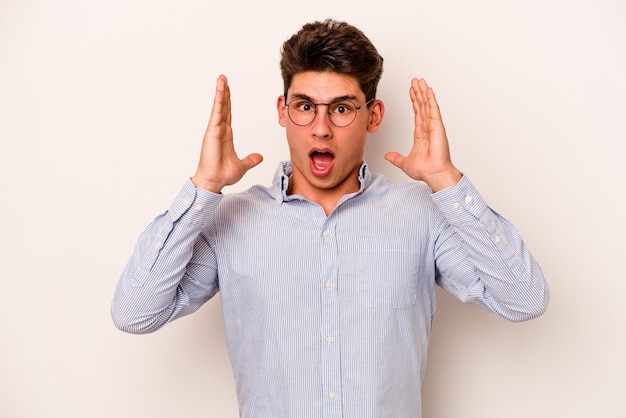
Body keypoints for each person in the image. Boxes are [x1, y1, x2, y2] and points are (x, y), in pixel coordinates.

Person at [111, 19, 549, 418]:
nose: (321, 128)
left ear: (372, 116)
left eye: (341, 109)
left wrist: (447, 181)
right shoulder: (231, 219)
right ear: (283, 111)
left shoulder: (421, 214)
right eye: (305, 107)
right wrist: (204, 187)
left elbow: (523, 301)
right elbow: (135, 313)